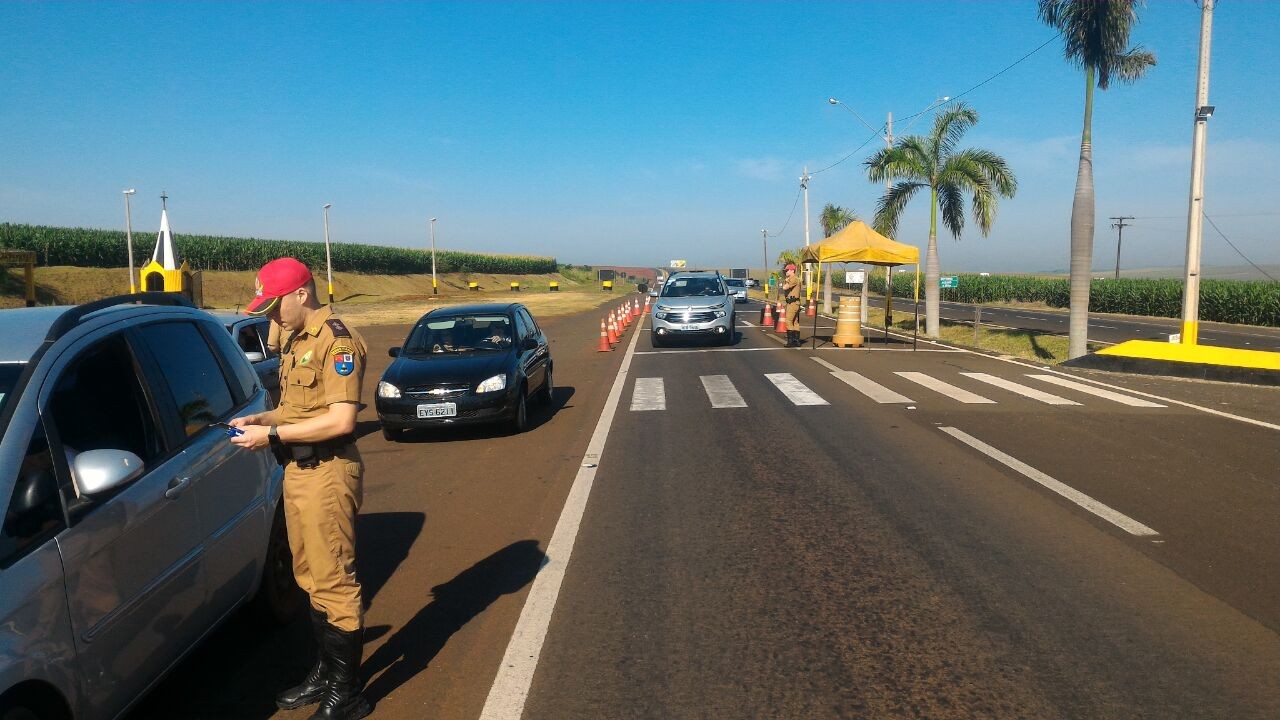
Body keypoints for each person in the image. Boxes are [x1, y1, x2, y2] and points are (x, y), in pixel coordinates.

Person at [229, 257, 372, 720]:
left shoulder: (337, 340)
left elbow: (340, 418)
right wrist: (260, 419)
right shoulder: (295, 340)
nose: (271, 317)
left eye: (274, 307)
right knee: (310, 576)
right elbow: (296, 411)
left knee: (335, 582)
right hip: (299, 473)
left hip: (329, 473)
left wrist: (270, 436)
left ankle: (346, 696)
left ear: (301, 294)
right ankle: (326, 673)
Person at [781, 262, 803, 347]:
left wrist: (786, 280)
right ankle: (796, 340)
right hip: (793, 302)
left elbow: (785, 287)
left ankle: (791, 341)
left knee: (788, 321)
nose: (786, 272)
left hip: (792, 303)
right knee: (795, 322)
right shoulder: (793, 279)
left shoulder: (793, 279)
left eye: (787, 270)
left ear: (792, 270)